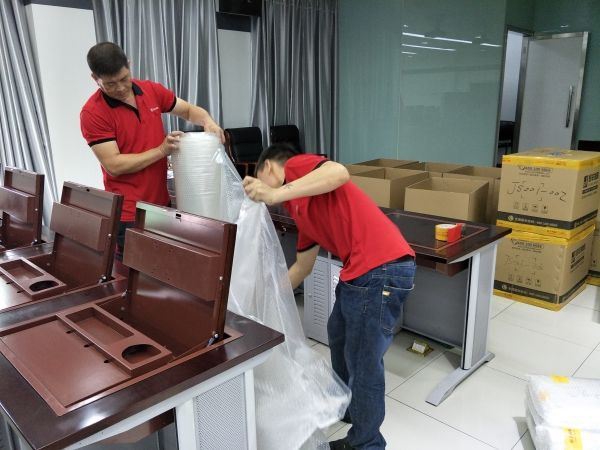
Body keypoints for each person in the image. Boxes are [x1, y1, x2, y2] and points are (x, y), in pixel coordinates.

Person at [243, 144, 416, 450]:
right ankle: (348, 408)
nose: (262, 192)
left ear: (268, 167)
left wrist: (274, 194)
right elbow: (302, 267)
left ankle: (367, 444)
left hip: (380, 268)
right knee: (338, 334)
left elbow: (338, 172)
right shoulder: (302, 210)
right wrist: (264, 298)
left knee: (363, 360)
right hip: (361, 272)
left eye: (259, 181)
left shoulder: (295, 167)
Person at [80, 42, 224, 259]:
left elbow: (188, 111)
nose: (120, 88)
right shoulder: (93, 113)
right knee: (139, 272)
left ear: (129, 65)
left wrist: (207, 121)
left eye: (124, 79)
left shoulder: (150, 90)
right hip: (130, 212)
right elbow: (114, 165)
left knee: (169, 264)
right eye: (110, 84)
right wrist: (161, 150)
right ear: (95, 79)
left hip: (162, 204)